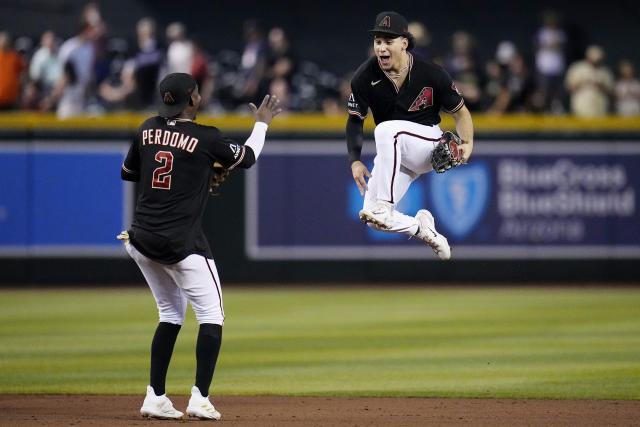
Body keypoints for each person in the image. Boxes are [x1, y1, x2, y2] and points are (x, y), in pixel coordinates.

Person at [118, 73, 281, 419]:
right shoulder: (205, 136)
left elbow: (129, 172)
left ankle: (156, 396)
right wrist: (262, 124)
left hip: (140, 239)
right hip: (179, 242)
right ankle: (200, 398)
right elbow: (248, 157)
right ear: (192, 99)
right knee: (212, 316)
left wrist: (191, 171)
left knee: (170, 314)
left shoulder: (146, 128)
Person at [347, 11, 474, 260]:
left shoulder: (431, 73)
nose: (381, 47)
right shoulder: (364, 77)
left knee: (385, 130)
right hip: (396, 152)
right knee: (371, 217)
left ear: (404, 43)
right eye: (378, 41)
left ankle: (385, 205)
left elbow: (461, 112)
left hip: (427, 143)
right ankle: (422, 228)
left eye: (388, 41)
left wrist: (468, 144)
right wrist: (355, 159)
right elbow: (354, 121)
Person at [565, 45, 614, 117]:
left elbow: (611, 92)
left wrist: (600, 85)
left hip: (600, 107)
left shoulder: (605, 71)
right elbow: (569, 87)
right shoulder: (577, 68)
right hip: (581, 106)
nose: (595, 62)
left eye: (597, 60)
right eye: (593, 59)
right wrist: (584, 82)